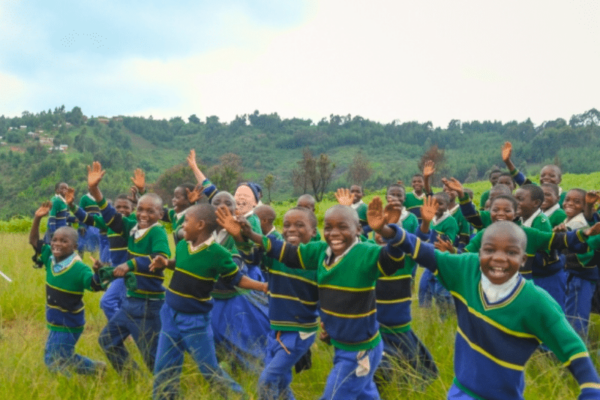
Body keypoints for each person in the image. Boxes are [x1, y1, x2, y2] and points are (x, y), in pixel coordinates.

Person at [390, 209, 600, 400]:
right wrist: (390, 232)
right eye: (490, 250)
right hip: (460, 391)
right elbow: (427, 254)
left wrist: (591, 389)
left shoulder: (535, 301)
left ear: (523, 259)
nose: (499, 258)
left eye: (511, 253)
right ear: (479, 253)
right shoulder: (467, 269)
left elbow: (571, 347)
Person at [223, 197, 408, 400]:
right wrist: (247, 234)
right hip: (339, 344)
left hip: (359, 349)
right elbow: (282, 251)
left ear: (358, 230)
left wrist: (385, 231)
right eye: (328, 227)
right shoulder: (320, 252)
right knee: (365, 394)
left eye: (342, 227)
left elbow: (393, 260)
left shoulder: (365, 253)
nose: (334, 233)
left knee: (329, 394)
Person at [151, 204, 266, 400]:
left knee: (209, 369)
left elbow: (236, 279)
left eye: (187, 221)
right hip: (170, 313)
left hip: (194, 321)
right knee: (163, 366)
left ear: (200, 225)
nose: (182, 226)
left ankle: (240, 397)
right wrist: (166, 263)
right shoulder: (181, 245)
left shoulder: (218, 253)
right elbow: (181, 264)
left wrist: (263, 287)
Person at [225, 206, 319, 399]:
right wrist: (238, 237)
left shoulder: (315, 258)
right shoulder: (276, 254)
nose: (291, 229)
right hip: (275, 332)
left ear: (314, 232)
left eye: (299, 225)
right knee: (282, 384)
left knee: (267, 381)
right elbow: (251, 258)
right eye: (287, 225)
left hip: (298, 333)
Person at [87, 162, 172, 373]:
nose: (144, 214)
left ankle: (167, 391)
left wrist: (130, 264)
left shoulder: (157, 232)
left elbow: (159, 257)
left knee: (152, 357)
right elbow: (111, 218)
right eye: (140, 209)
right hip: (130, 301)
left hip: (148, 305)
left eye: (150, 211)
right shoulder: (132, 228)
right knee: (108, 340)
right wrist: (94, 190)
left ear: (160, 214)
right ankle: (131, 378)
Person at [29, 202, 105, 375]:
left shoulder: (79, 268)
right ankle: (96, 369)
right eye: (54, 239)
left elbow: (95, 285)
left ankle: (70, 386)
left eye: (64, 241)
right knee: (65, 356)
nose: (57, 244)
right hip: (55, 321)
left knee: (53, 361)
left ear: (74, 247)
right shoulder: (49, 257)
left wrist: (98, 272)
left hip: (69, 323)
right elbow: (34, 240)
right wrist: (38, 217)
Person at [374, 183, 438, 384]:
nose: (382, 233)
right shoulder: (367, 252)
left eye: (387, 230)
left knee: (416, 371)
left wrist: (425, 224)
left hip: (400, 327)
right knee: (378, 370)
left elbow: (416, 243)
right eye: (378, 228)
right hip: (373, 328)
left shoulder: (403, 256)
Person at [208, 191, 270, 371]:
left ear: (236, 210)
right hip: (211, 296)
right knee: (216, 337)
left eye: (228, 202)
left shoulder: (240, 230)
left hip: (234, 298)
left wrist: (238, 236)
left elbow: (249, 259)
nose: (221, 206)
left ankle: (258, 375)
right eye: (216, 202)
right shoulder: (205, 230)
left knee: (242, 339)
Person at [66, 189, 135, 320]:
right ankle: (126, 330)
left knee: (107, 302)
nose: (122, 210)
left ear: (133, 209)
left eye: (126, 207)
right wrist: (72, 206)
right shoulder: (110, 223)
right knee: (120, 302)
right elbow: (88, 218)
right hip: (115, 270)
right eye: (118, 207)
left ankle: (121, 329)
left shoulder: (133, 222)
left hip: (128, 271)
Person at [130, 168, 202, 245]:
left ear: (188, 200)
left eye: (177, 197)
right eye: (174, 197)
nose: (173, 200)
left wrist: (192, 204)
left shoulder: (192, 216)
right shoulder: (173, 215)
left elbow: (195, 216)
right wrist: (142, 191)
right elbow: (154, 209)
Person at [417, 192, 458, 314]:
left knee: (441, 292)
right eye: (434, 204)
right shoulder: (429, 219)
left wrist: (429, 241)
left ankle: (448, 317)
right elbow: (420, 236)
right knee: (424, 288)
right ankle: (426, 318)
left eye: (440, 204)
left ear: (447, 205)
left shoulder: (450, 221)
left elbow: (447, 242)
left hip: (442, 261)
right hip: (430, 260)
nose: (437, 206)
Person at [502, 141, 566, 205]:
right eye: (543, 176)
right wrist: (508, 162)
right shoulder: (535, 190)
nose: (546, 178)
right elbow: (520, 179)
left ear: (559, 180)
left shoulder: (564, 196)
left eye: (552, 176)